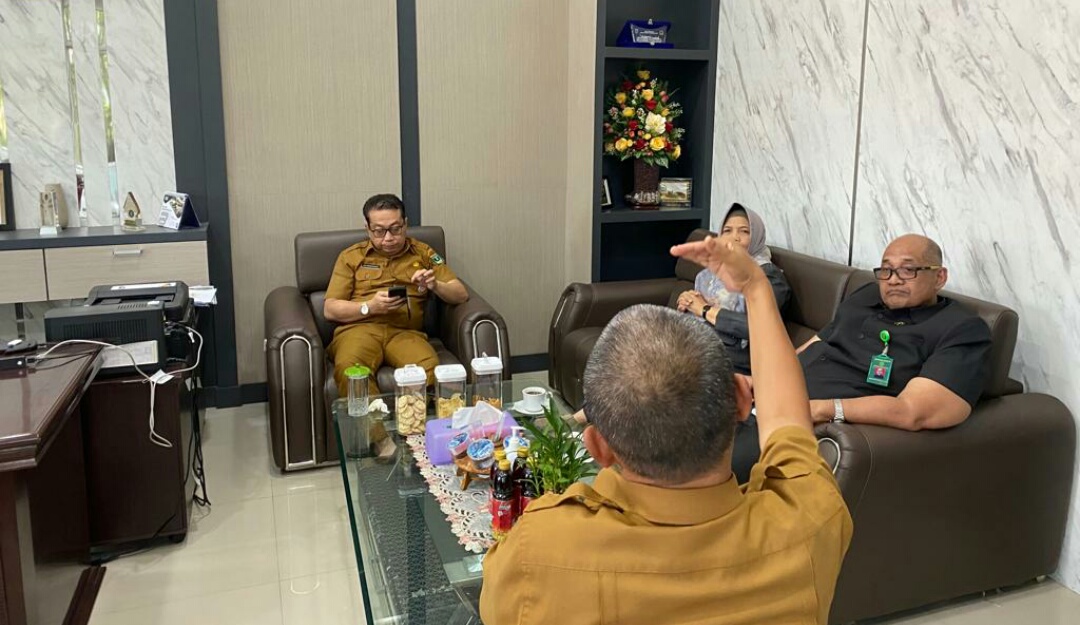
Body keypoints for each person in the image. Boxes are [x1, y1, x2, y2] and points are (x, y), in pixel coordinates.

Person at [480, 237, 853, 625]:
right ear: (743, 401)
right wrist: (756, 289)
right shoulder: (809, 520)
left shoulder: (538, 553)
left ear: (598, 447)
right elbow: (786, 423)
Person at [797, 234, 992, 429]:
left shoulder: (962, 329)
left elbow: (914, 412)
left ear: (939, 277)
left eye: (908, 270)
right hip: (786, 392)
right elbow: (816, 342)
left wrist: (819, 409)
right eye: (886, 270)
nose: (893, 280)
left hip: (811, 417)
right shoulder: (865, 296)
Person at [324, 193, 469, 395]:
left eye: (395, 229)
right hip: (359, 330)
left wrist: (435, 285)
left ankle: (409, 414)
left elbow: (460, 294)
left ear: (405, 224)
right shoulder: (351, 257)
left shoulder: (423, 253)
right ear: (367, 229)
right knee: (351, 370)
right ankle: (374, 417)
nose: (389, 238)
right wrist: (370, 307)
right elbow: (330, 309)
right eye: (379, 231)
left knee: (429, 369)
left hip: (405, 332)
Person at [676, 203, 791, 375]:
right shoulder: (710, 274)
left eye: (744, 231)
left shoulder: (769, 277)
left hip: (736, 361)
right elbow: (698, 309)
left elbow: (759, 327)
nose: (734, 238)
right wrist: (688, 303)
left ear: (757, 236)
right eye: (727, 231)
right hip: (698, 345)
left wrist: (705, 310)